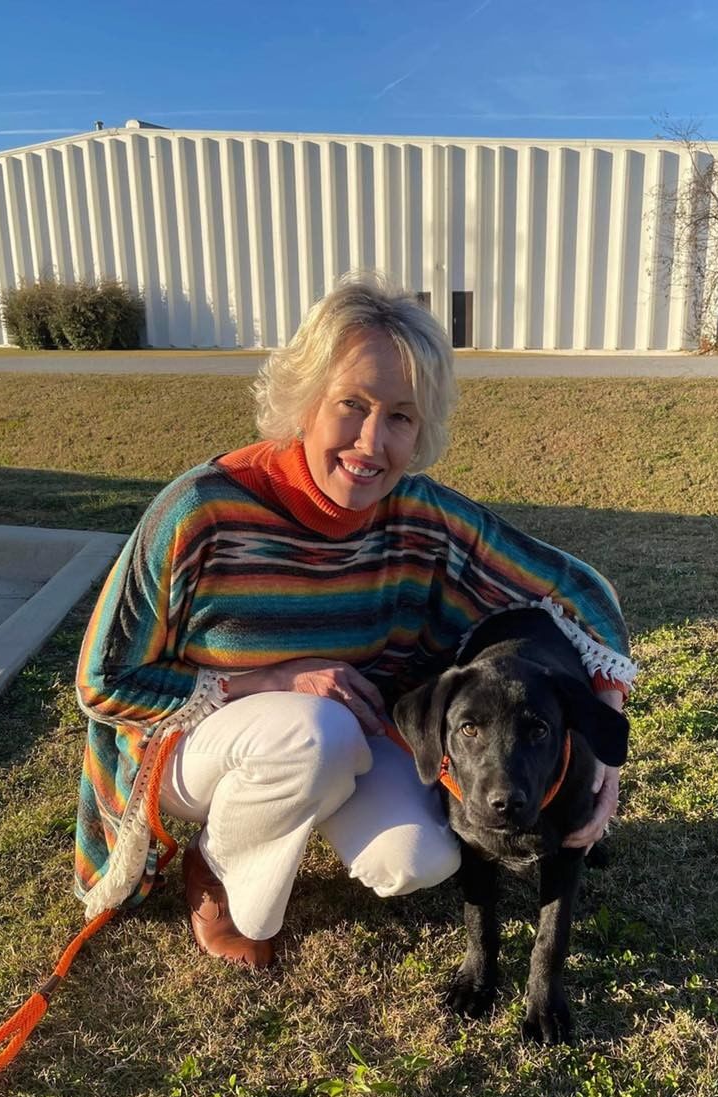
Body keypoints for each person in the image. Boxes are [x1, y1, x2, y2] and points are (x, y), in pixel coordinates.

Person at [75, 275, 637, 967]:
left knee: (420, 857)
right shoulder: (200, 510)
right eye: (352, 404)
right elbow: (101, 681)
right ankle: (216, 869)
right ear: (305, 399)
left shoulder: (420, 513)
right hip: (193, 746)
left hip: (347, 736)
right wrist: (275, 677)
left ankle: (291, 807)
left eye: (400, 416)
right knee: (315, 731)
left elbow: (579, 588)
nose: (372, 442)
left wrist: (605, 740)